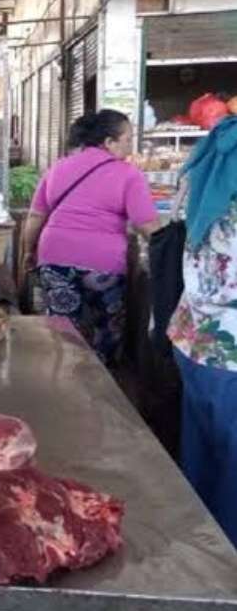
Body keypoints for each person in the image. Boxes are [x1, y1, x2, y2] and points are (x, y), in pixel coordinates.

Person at [20, 110, 161, 364]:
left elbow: (34, 217)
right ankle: (100, 386)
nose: (131, 147)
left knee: (62, 327)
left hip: (54, 257)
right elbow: (147, 225)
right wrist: (169, 253)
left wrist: (28, 252)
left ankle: (62, 379)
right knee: (106, 329)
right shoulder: (129, 175)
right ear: (108, 142)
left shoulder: (58, 168)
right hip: (102, 267)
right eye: (127, 140)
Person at [167, 114, 237, 546]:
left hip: (196, 337)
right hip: (228, 348)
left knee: (204, 456)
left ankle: (200, 552)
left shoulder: (213, 157)